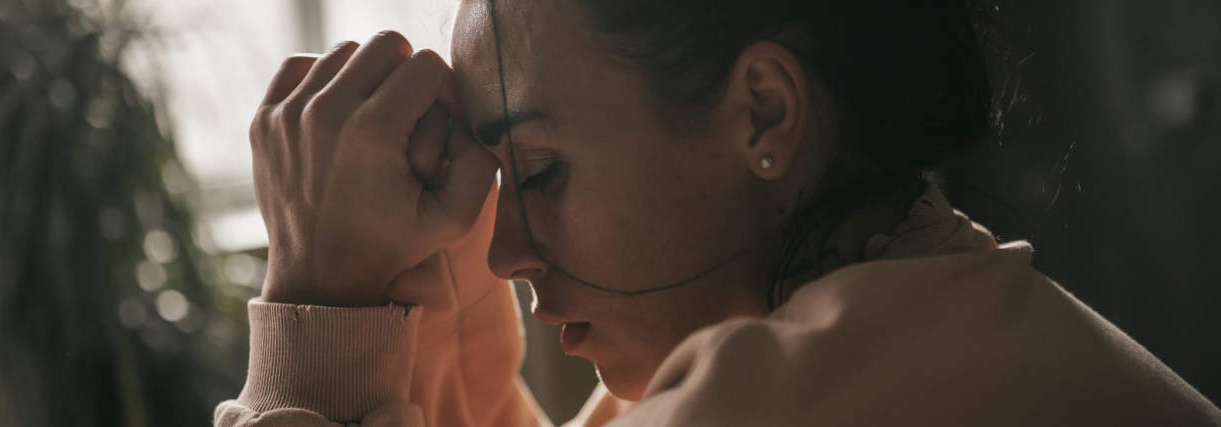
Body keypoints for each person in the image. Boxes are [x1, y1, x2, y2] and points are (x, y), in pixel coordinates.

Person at [215, 0, 1221, 425]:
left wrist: (318, 300)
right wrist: (409, 278)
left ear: (762, 112)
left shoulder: (781, 398)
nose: (503, 250)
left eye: (540, 171)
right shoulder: (906, 310)